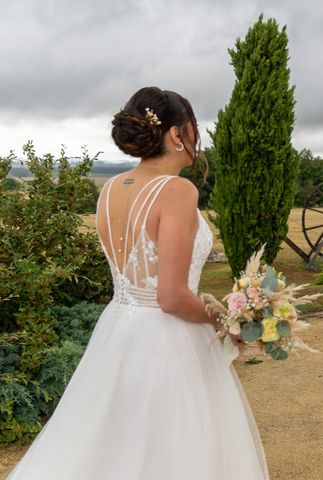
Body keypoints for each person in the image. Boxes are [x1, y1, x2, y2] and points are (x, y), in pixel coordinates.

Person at [7, 87, 269, 480]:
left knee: (112, 447)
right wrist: (227, 319)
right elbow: (171, 296)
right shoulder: (178, 190)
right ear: (179, 134)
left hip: (118, 329)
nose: (199, 137)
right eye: (195, 128)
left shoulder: (111, 188)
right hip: (167, 343)